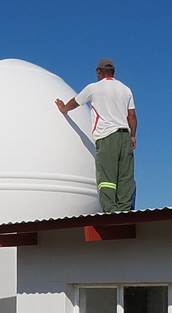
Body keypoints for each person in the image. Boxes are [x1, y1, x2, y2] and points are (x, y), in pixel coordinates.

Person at [55, 57, 137, 213]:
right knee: (125, 176)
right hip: (125, 136)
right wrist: (132, 136)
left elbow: (76, 102)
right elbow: (131, 115)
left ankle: (110, 210)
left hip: (107, 137)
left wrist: (63, 108)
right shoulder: (126, 89)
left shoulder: (94, 88)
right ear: (113, 72)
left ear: (99, 72)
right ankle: (124, 210)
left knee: (107, 176)